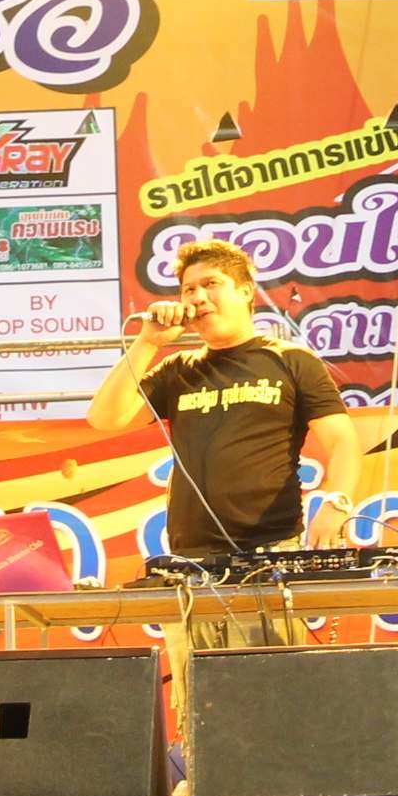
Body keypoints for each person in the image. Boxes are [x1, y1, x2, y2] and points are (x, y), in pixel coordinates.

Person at [86, 236, 368, 565]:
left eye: (211, 284)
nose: (198, 297)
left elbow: (342, 442)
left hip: (272, 548)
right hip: (191, 557)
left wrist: (337, 502)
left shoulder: (292, 360)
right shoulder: (178, 369)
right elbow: (105, 418)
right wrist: (147, 342)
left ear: (246, 291)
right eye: (189, 290)